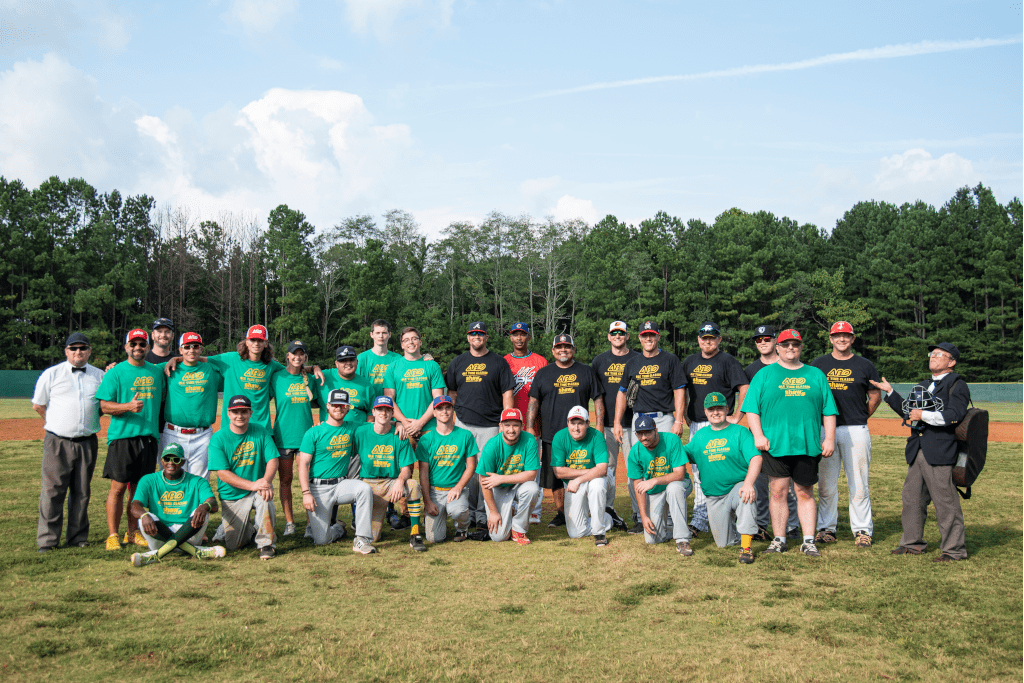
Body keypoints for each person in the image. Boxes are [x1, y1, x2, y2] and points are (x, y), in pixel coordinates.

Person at [741, 329, 837, 558]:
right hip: (775, 445)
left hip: (806, 444)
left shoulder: (815, 375)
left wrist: (830, 438)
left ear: (801, 347)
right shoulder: (764, 375)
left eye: (795, 344)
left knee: (804, 492)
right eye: (785, 345)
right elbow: (752, 409)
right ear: (778, 347)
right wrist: (758, 435)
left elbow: (829, 410)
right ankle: (779, 539)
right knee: (777, 492)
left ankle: (808, 540)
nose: (790, 348)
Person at [871, 342, 970, 561]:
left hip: (941, 449)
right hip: (918, 449)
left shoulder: (957, 384)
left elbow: (955, 414)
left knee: (945, 502)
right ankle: (912, 543)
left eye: (939, 354)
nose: (933, 357)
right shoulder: (924, 384)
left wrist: (923, 416)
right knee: (912, 498)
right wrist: (890, 393)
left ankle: (954, 551)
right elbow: (909, 412)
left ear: (951, 361)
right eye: (932, 354)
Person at [32, 332, 105, 552]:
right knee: (53, 491)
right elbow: (38, 405)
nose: (78, 352)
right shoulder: (52, 374)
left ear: (89, 351)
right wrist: (56, 424)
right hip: (57, 441)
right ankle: (48, 540)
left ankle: (77, 537)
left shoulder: (99, 375)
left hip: (87, 441)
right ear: (66, 351)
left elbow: (103, 405)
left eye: (82, 348)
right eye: (73, 348)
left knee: (82, 491)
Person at [811, 321, 882, 548]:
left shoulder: (864, 365)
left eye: (846, 336)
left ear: (852, 339)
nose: (842, 339)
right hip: (825, 430)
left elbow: (875, 396)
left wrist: (862, 416)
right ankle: (826, 528)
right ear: (830, 339)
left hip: (855, 429)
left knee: (859, 483)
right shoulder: (819, 364)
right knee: (826, 484)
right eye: (837, 336)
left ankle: (862, 529)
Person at [613, 320, 686, 533]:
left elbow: (679, 389)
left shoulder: (670, 360)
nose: (648, 339)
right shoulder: (633, 363)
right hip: (640, 420)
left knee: (669, 463)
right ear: (639, 338)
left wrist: (679, 419)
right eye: (644, 335)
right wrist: (618, 422)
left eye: (652, 335)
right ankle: (640, 515)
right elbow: (622, 392)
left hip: (663, 418)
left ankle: (672, 515)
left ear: (658, 337)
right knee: (639, 467)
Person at [96, 329, 166, 551]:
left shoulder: (156, 372)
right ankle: (112, 534)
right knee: (117, 488)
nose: (138, 348)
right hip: (124, 438)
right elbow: (103, 405)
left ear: (147, 347)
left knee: (138, 490)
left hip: (148, 439)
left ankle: (133, 533)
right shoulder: (115, 373)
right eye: (133, 344)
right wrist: (127, 406)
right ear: (126, 347)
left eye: (141, 344)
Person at [527, 333, 603, 528]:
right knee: (555, 477)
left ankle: (583, 508)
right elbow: (534, 401)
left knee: (582, 467)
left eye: (567, 347)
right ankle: (561, 512)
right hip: (552, 433)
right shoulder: (544, 373)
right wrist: (529, 426)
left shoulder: (585, 371)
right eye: (559, 347)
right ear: (553, 351)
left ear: (573, 350)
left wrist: (600, 424)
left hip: (581, 434)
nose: (563, 350)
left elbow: (597, 398)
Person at [681, 322, 749, 535]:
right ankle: (701, 519)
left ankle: (732, 513)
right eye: (704, 337)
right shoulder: (690, 362)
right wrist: (684, 416)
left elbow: (744, 388)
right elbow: (681, 390)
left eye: (712, 337)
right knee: (700, 472)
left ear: (719, 339)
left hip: (722, 423)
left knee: (726, 467)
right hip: (698, 423)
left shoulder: (728, 361)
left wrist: (737, 416)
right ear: (698, 339)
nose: (707, 340)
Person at [445, 321, 514, 529]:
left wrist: (505, 421)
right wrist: (450, 423)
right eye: (473, 333)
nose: (477, 337)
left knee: (486, 469)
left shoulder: (498, 362)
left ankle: (484, 513)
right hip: (464, 423)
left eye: (481, 334)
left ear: (486, 337)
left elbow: (507, 394)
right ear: (468, 337)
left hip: (491, 424)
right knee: (467, 468)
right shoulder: (457, 362)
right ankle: (469, 512)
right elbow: (452, 395)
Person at [682, 393, 762, 564]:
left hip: (736, 487)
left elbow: (756, 458)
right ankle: (736, 532)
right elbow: (683, 454)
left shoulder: (740, 432)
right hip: (714, 496)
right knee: (722, 544)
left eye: (719, 408)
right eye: (711, 409)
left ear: (727, 409)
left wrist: (748, 484)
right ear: (705, 411)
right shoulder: (701, 436)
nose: (716, 412)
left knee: (746, 495)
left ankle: (746, 547)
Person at [297, 389, 377, 554]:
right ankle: (339, 528)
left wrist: (397, 424)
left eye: (343, 405)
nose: (338, 408)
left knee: (364, 489)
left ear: (347, 408)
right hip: (318, 488)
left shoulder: (352, 428)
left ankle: (361, 539)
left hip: (341, 484)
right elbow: (303, 464)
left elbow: (377, 426)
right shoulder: (314, 432)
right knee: (321, 541)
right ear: (327, 406)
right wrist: (306, 492)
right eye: (335, 405)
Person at [128, 443, 225, 566]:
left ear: (183, 462)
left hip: (189, 534)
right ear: (162, 461)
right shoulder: (148, 480)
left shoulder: (197, 481)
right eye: (167, 459)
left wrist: (204, 506)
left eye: (176, 459)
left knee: (202, 512)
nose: (171, 463)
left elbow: (213, 503)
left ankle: (157, 555)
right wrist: (144, 515)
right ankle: (194, 551)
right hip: (158, 535)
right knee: (145, 516)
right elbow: (135, 506)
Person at [744, 324, 799, 541]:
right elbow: (747, 402)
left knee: (790, 485)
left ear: (776, 341)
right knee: (760, 483)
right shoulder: (750, 370)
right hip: (759, 433)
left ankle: (792, 526)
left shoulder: (791, 365)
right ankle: (761, 524)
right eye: (758, 339)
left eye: (767, 338)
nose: (763, 342)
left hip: (787, 433)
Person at [207, 395, 280, 560]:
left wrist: (265, 482)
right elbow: (223, 474)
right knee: (235, 545)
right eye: (235, 412)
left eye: (244, 412)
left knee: (265, 496)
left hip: (257, 488)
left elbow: (272, 460)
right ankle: (251, 529)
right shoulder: (218, 438)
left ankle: (266, 544)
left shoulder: (260, 431)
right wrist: (252, 485)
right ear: (228, 413)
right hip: (233, 495)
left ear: (250, 413)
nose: (239, 415)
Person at [355, 396, 427, 551]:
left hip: (391, 483)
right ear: (373, 411)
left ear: (392, 413)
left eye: (388, 410)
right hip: (369, 485)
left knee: (413, 485)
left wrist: (400, 481)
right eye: (380, 409)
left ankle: (415, 534)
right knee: (373, 538)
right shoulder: (361, 431)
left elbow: (407, 469)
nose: (384, 413)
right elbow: (340, 426)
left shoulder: (399, 435)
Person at [591, 320, 640, 530]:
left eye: (622, 333)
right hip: (607, 426)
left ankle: (639, 513)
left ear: (627, 336)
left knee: (635, 469)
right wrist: (599, 427)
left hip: (635, 424)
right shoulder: (599, 361)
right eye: (614, 333)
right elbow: (595, 394)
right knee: (607, 469)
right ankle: (606, 512)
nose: (618, 336)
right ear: (609, 336)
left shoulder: (638, 358)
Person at [157, 332, 221, 481]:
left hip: (202, 435)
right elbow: (143, 368)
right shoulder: (168, 368)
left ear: (201, 349)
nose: (191, 350)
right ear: (180, 349)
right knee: (170, 479)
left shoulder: (212, 368)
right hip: (173, 433)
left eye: (195, 346)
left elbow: (236, 361)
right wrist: (112, 367)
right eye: (187, 347)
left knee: (199, 482)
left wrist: (176, 357)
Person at [626, 415, 693, 555]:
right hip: (656, 491)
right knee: (652, 539)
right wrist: (643, 517)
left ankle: (682, 539)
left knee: (673, 489)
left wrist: (654, 480)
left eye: (647, 432)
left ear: (656, 430)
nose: (644, 437)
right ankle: (670, 531)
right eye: (640, 434)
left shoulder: (672, 440)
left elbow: (679, 474)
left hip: (680, 484)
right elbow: (638, 487)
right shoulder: (635, 452)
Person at [417, 395, 479, 543]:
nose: (444, 412)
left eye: (447, 408)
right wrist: (427, 501)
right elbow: (423, 473)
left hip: (456, 490)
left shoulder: (465, 435)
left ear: (453, 410)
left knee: (458, 511)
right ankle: (436, 518)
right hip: (435, 491)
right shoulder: (426, 439)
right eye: (439, 408)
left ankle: (462, 527)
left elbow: (471, 466)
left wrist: (458, 487)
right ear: (434, 413)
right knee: (434, 539)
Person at [503, 322, 548, 524]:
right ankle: (513, 506)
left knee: (532, 466)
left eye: (523, 334)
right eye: (515, 335)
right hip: (510, 422)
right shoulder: (503, 362)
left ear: (529, 337)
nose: (519, 338)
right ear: (510, 338)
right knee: (511, 465)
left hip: (534, 423)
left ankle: (534, 510)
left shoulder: (540, 361)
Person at [475, 408, 541, 544]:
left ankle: (519, 528)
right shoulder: (492, 445)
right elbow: (484, 482)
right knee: (498, 537)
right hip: (498, 488)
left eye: (515, 425)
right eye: (507, 425)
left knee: (532, 489)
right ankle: (509, 512)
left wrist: (501, 478)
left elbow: (531, 474)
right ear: (500, 426)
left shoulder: (529, 440)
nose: (511, 430)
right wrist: (493, 512)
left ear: (522, 426)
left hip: (518, 485)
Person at [550, 406, 613, 546]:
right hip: (575, 481)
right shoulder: (560, 437)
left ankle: (599, 532)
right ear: (568, 423)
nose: (576, 428)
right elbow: (559, 472)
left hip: (597, 478)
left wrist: (578, 479)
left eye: (580, 423)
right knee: (575, 533)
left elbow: (602, 470)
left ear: (587, 423)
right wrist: (590, 471)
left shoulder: (596, 436)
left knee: (596, 486)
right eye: (573, 423)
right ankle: (607, 517)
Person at [271, 341, 315, 537]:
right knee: (286, 480)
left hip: (306, 437)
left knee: (309, 481)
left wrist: (316, 368)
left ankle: (310, 523)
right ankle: (289, 522)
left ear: (305, 357)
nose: (297, 357)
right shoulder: (277, 377)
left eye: (301, 354)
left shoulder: (310, 379)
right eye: (293, 354)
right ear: (287, 356)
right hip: (284, 436)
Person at [384, 326, 446, 442]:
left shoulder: (432, 366)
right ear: (402, 345)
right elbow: (389, 399)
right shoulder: (392, 368)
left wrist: (420, 423)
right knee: (405, 461)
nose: (411, 342)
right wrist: (404, 422)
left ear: (420, 342)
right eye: (406, 340)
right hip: (403, 429)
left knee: (430, 460)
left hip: (430, 428)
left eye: (414, 339)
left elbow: (438, 399)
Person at [316, 345, 377, 425]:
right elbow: (300, 375)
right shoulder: (323, 376)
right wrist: (313, 367)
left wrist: (366, 429)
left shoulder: (365, 384)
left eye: (351, 360)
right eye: (343, 360)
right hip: (331, 433)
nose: (348, 363)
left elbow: (371, 411)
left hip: (357, 433)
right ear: (336, 363)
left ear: (357, 362)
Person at [356, 319, 402, 387]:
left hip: (391, 397)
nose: (381, 336)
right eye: (377, 333)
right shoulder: (362, 358)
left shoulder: (398, 359)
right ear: (371, 334)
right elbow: (356, 383)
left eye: (384, 333)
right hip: (369, 397)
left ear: (389, 334)